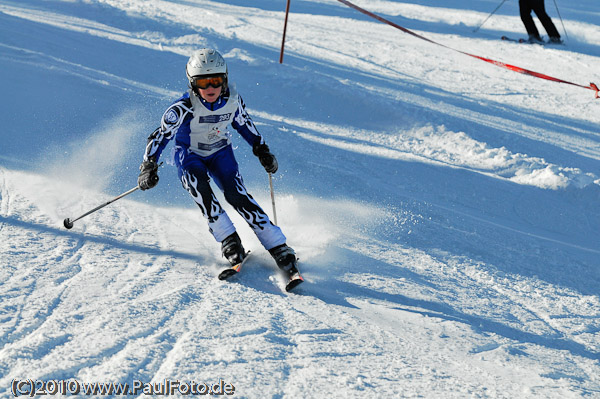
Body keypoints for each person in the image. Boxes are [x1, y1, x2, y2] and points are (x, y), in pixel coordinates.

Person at [137, 48, 299, 277]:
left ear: (225, 79)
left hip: (220, 153)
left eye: (216, 81)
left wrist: (261, 150)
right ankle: (229, 241)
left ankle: (277, 245)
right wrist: (148, 165)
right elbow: (160, 136)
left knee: (237, 194)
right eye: (203, 83)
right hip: (190, 155)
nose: (211, 88)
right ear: (193, 84)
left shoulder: (232, 101)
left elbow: (245, 125)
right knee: (200, 188)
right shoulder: (182, 108)